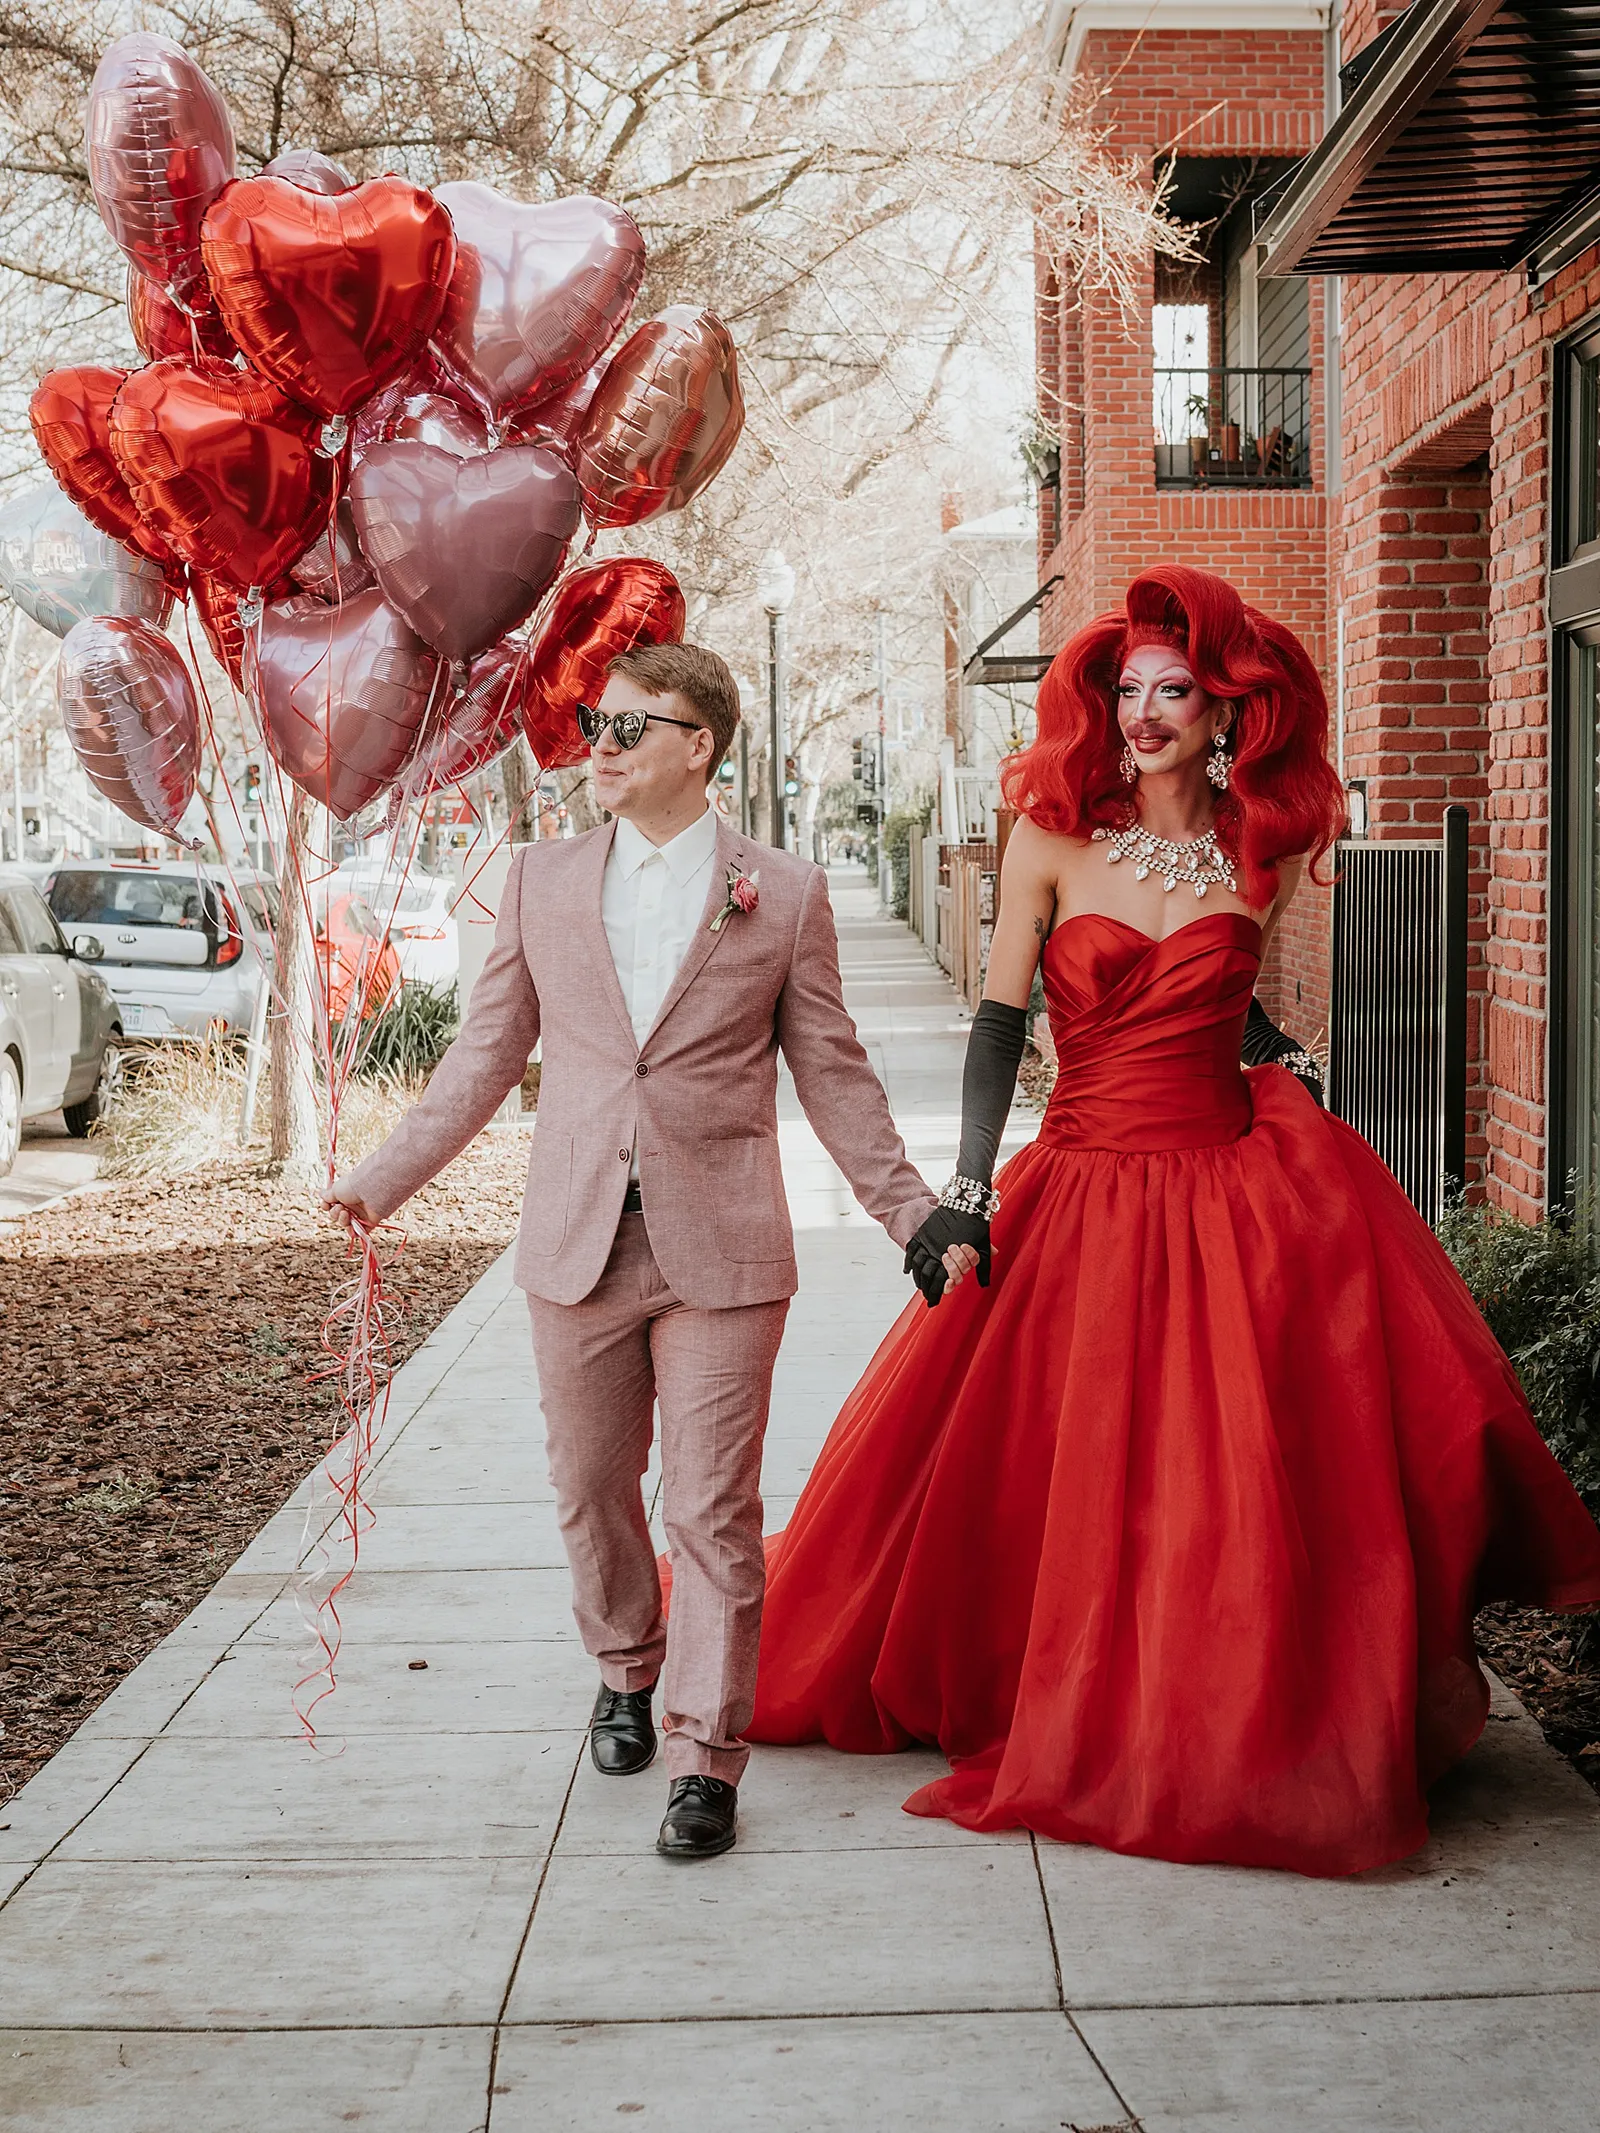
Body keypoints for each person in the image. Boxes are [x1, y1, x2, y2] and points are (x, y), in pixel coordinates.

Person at [745, 564, 1600, 1878]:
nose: (1144, 712)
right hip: (1079, 1179)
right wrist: (966, 1191)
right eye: (1128, 690)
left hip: (1223, 1184)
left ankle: (1211, 1701)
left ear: (1226, 715)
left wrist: (1281, 1062)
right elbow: (996, 1025)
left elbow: (1226, 994)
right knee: (1056, 1459)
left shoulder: (1268, 847)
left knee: (1226, 1472)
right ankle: (1050, 1678)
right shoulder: (1047, 834)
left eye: (1175, 692)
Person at [325, 642, 936, 1861]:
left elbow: (834, 1074)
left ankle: (707, 1753)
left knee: (713, 1511)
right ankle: (622, 1666)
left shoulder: (786, 892)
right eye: (594, 727)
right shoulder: (540, 882)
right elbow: (485, 1056)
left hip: (724, 1247)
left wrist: (910, 1211)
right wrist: (380, 1183)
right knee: (590, 1491)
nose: (596, 748)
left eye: (625, 728)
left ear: (696, 745)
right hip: (577, 1242)